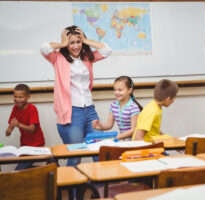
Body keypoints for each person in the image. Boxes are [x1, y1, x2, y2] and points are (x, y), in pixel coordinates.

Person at [40, 25, 112, 166]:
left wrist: (86, 40)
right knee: (75, 155)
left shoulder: (87, 58)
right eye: (71, 43)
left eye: (78, 42)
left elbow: (107, 50)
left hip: (89, 110)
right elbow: (43, 47)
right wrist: (62, 43)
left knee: (99, 151)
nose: (75, 46)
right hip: (72, 112)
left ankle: (99, 187)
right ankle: (72, 188)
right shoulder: (57, 58)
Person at [6, 84, 45, 170]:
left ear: (28, 97)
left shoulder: (32, 109)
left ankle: (46, 167)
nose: (17, 99)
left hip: (36, 144)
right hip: (24, 145)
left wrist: (19, 124)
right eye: (15, 96)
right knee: (24, 167)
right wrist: (9, 130)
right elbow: (9, 130)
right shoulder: (15, 108)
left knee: (19, 169)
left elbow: (32, 129)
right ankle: (45, 168)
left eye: (20, 97)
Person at [92, 76, 143, 140]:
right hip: (124, 141)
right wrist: (101, 126)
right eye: (115, 89)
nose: (116, 92)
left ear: (130, 90)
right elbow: (109, 124)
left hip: (134, 141)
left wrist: (118, 137)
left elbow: (133, 130)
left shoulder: (133, 107)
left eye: (120, 90)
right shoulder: (113, 105)